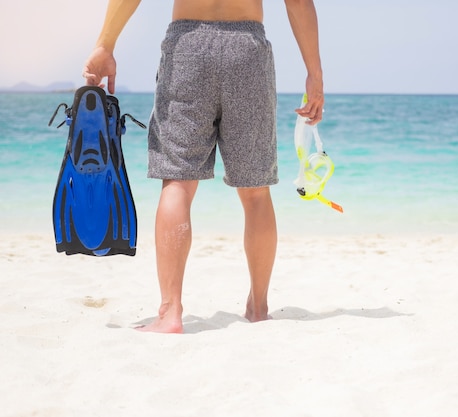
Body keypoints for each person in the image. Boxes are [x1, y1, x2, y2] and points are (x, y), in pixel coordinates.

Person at [83, 0, 324, 333]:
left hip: (187, 47)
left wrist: (104, 45)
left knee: (177, 182)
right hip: (248, 51)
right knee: (255, 191)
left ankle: (170, 312)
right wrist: (314, 72)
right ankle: (258, 308)